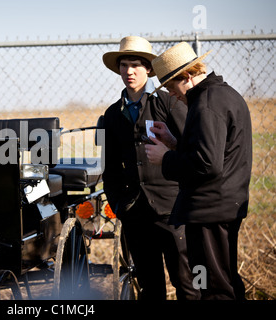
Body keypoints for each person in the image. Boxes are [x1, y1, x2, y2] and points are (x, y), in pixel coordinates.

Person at [145, 42, 252, 300]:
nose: (171, 94)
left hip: (209, 213)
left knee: (213, 288)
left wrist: (166, 158)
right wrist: (174, 142)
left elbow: (206, 164)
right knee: (221, 281)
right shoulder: (221, 95)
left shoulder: (206, 104)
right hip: (218, 209)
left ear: (188, 76)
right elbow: (213, 150)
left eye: (171, 86)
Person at [101, 36, 200, 300]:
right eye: (123, 65)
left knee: (187, 283)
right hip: (135, 213)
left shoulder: (169, 103)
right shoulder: (111, 115)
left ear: (148, 69)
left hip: (173, 210)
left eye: (135, 64)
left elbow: (189, 151)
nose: (129, 71)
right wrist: (119, 205)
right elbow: (109, 168)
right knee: (149, 287)